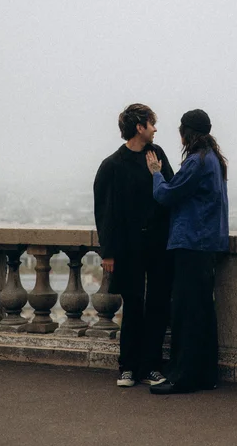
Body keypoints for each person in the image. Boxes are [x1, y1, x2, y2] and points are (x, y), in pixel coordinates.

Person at [145, 108, 229, 394]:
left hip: (192, 242)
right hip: (207, 243)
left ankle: (183, 376)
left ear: (185, 134)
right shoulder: (214, 159)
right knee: (202, 311)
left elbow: (166, 195)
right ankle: (205, 375)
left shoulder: (196, 161)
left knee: (185, 312)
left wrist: (156, 174)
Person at [93, 103, 174, 388]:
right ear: (139, 127)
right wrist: (108, 252)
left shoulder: (157, 154)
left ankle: (151, 366)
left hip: (158, 244)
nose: (155, 129)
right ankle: (128, 366)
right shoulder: (112, 165)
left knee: (158, 305)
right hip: (128, 247)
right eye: (152, 123)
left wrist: (157, 173)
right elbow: (105, 213)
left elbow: (170, 194)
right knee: (133, 305)